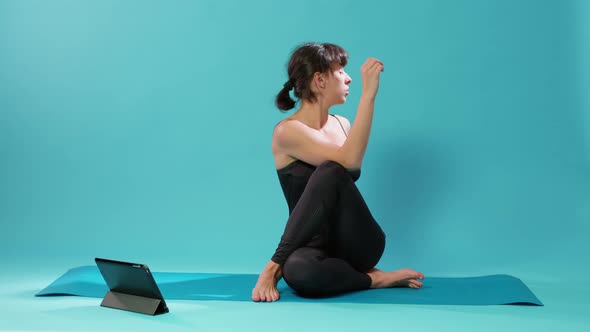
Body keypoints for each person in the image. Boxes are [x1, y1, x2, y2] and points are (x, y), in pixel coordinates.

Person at [252, 42, 424, 302]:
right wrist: (367, 95)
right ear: (320, 80)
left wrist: (369, 96)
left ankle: (273, 265)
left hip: (358, 242)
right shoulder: (287, 132)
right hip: (311, 246)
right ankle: (373, 278)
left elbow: (350, 162)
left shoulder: (343, 124)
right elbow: (345, 159)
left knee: (331, 169)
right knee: (299, 272)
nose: (349, 78)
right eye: (341, 71)